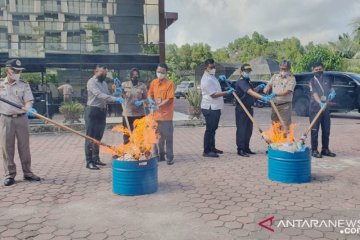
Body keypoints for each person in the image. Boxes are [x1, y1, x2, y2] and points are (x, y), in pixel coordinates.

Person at [0, 59, 40, 186]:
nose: (17, 73)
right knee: (7, 147)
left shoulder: (23, 84)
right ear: (8, 70)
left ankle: (28, 173)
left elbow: (28, 100)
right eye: (15, 70)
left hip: (22, 118)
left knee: (24, 147)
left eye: (19, 71)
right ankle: (9, 175)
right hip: (6, 118)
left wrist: (28, 108)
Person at [85, 64, 124, 170]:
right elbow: (99, 95)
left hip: (102, 111)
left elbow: (107, 96)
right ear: (96, 71)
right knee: (90, 137)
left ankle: (96, 158)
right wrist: (114, 99)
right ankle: (89, 161)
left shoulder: (104, 83)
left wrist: (117, 92)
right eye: (102, 72)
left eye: (105, 73)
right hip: (92, 111)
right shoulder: (91, 82)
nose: (104, 75)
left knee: (98, 137)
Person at [234, 64, 275, 157]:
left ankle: (246, 148)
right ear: (241, 71)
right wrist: (263, 97)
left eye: (249, 71)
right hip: (242, 109)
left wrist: (258, 88)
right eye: (246, 71)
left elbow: (252, 91)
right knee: (242, 129)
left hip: (249, 107)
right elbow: (249, 92)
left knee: (248, 129)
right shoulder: (241, 81)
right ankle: (240, 149)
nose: (248, 73)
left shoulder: (247, 81)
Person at [200, 58, 234, 158]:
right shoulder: (205, 79)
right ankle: (206, 151)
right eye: (211, 67)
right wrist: (227, 92)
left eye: (214, 67)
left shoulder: (211, 76)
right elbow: (213, 94)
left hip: (215, 107)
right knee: (210, 129)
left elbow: (215, 87)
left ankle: (212, 147)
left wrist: (220, 80)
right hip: (209, 107)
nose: (213, 68)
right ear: (206, 67)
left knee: (214, 128)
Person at [148, 63, 175, 165]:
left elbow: (169, 99)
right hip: (156, 116)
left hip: (166, 116)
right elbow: (149, 94)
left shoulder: (170, 84)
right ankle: (160, 155)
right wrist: (150, 101)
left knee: (168, 138)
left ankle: (170, 157)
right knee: (157, 138)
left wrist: (158, 105)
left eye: (162, 72)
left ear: (166, 73)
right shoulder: (154, 82)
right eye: (158, 71)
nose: (160, 74)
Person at [308, 62, 336, 158]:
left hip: (326, 108)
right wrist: (320, 102)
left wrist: (333, 92)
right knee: (315, 130)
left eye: (320, 69)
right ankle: (314, 150)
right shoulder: (312, 81)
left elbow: (331, 89)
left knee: (326, 129)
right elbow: (314, 93)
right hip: (315, 108)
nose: (318, 71)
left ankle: (325, 149)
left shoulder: (327, 79)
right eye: (316, 70)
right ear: (313, 70)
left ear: (323, 68)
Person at [263, 60, 296, 131]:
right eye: (281, 68)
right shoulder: (275, 76)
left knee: (285, 126)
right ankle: (276, 140)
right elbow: (269, 85)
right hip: (274, 105)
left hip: (285, 106)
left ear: (289, 68)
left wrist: (275, 94)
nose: (283, 70)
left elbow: (288, 91)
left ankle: (284, 141)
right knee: (275, 125)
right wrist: (266, 88)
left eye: (285, 69)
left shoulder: (291, 79)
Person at [121, 68, 148, 144]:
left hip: (139, 114)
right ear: (130, 76)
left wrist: (141, 101)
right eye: (133, 75)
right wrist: (119, 91)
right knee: (127, 135)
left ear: (139, 76)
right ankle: (127, 153)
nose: (135, 76)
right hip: (128, 114)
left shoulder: (143, 86)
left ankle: (137, 154)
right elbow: (121, 96)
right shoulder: (124, 85)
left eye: (136, 75)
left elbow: (146, 99)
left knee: (139, 135)